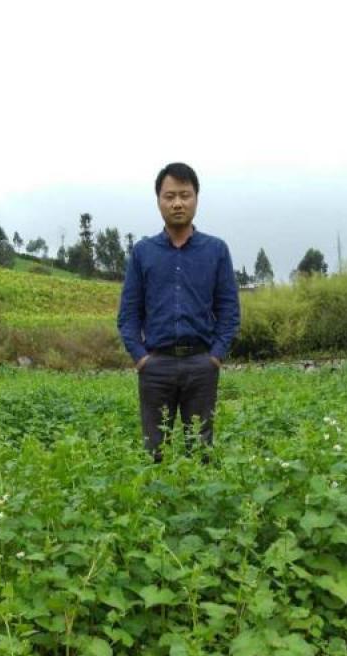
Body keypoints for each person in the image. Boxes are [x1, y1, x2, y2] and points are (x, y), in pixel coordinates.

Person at [117, 162, 240, 460]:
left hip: (201, 364)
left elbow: (229, 311)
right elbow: (128, 315)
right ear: (158, 200)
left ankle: (198, 505)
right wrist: (141, 358)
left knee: (199, 452)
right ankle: (157, 505)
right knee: (154, 452)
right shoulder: (143, 253)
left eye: (184, 195)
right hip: (156, 366)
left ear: (196, 198)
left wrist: (215, 356)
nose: (177, 203)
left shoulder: (216, 250)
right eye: (169, 196)